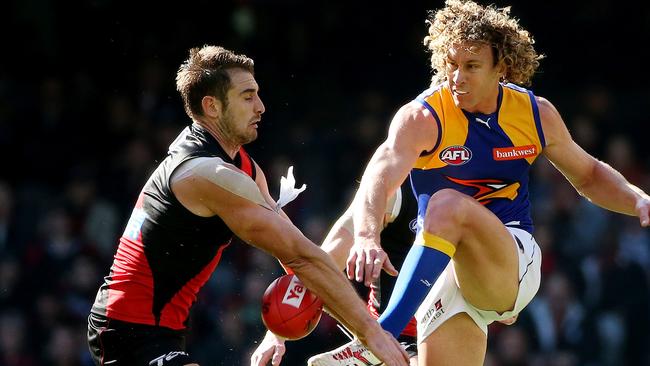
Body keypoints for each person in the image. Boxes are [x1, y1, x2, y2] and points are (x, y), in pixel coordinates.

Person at [308, 1, 650, 365]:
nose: (457, 77)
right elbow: (380, 173)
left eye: (471, 66)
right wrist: (366, 236)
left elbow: (590, 174)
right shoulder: (422, 116)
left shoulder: (535, 113)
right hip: (451, 276)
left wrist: (638, 198)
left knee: (446, 204)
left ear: (500, 67)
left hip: (512, 263)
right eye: (452, 65)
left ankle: (380, 335)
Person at [86, 45, 409, 366]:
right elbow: (301, 256)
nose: (261, 107)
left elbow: (295, 254)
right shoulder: (208, 175)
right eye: (247, 96)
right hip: (126, 331)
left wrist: (283, 332)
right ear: (212, 106)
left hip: (161, 331)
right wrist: (371, 335)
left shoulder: (240, 165)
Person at [251, 181, 421, 366]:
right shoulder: (391, 190)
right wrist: (278, 331)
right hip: (395, 338)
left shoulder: (450, 196)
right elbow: (318, 271)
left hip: (443, 321)